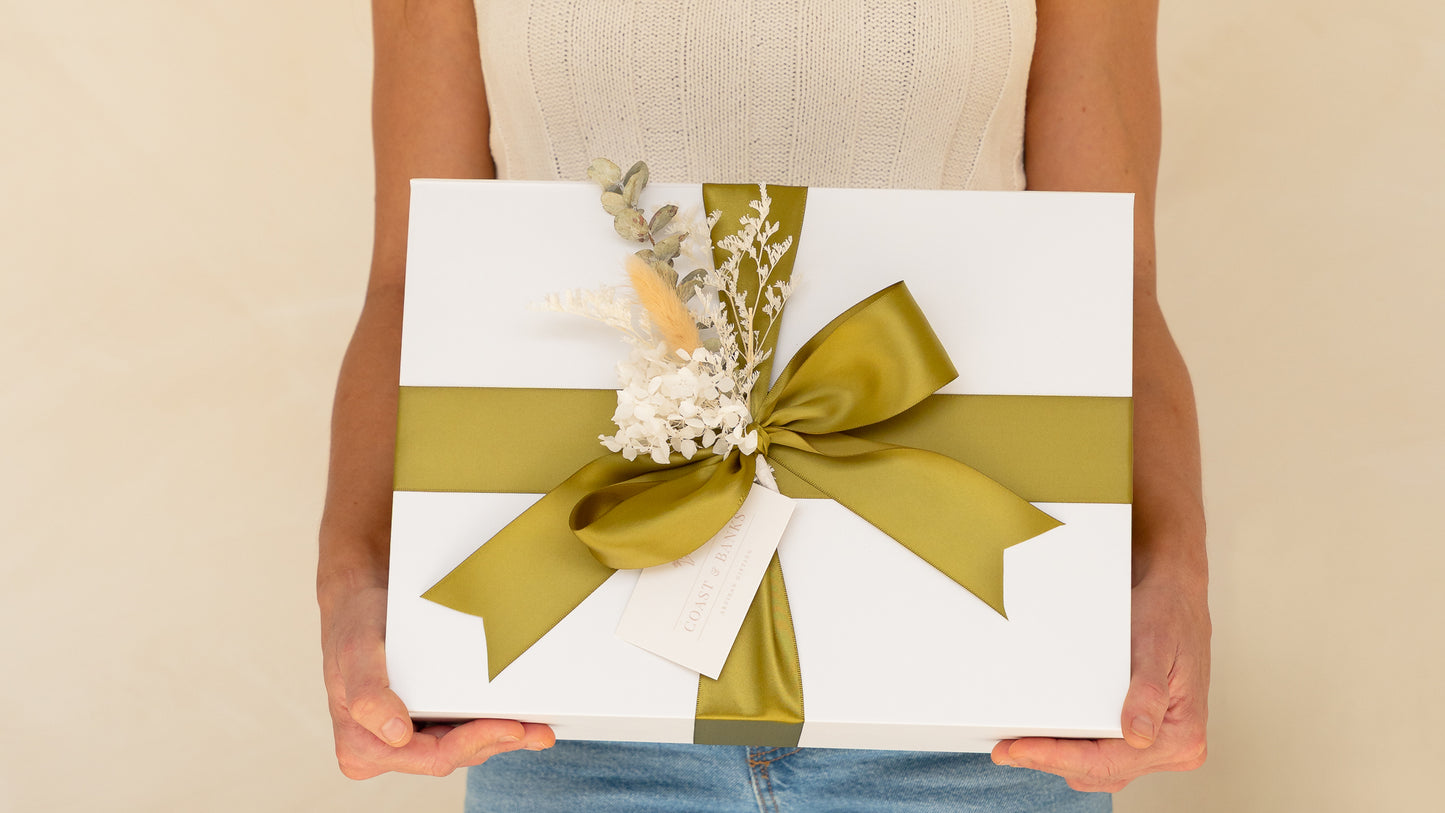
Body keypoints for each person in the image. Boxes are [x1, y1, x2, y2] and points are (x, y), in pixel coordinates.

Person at [318, 0, 1209, 806]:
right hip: (572, 716)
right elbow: (407, 281)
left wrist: (1174, 572)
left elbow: (1113, 279)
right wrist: (351, 580)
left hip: (976, 722)